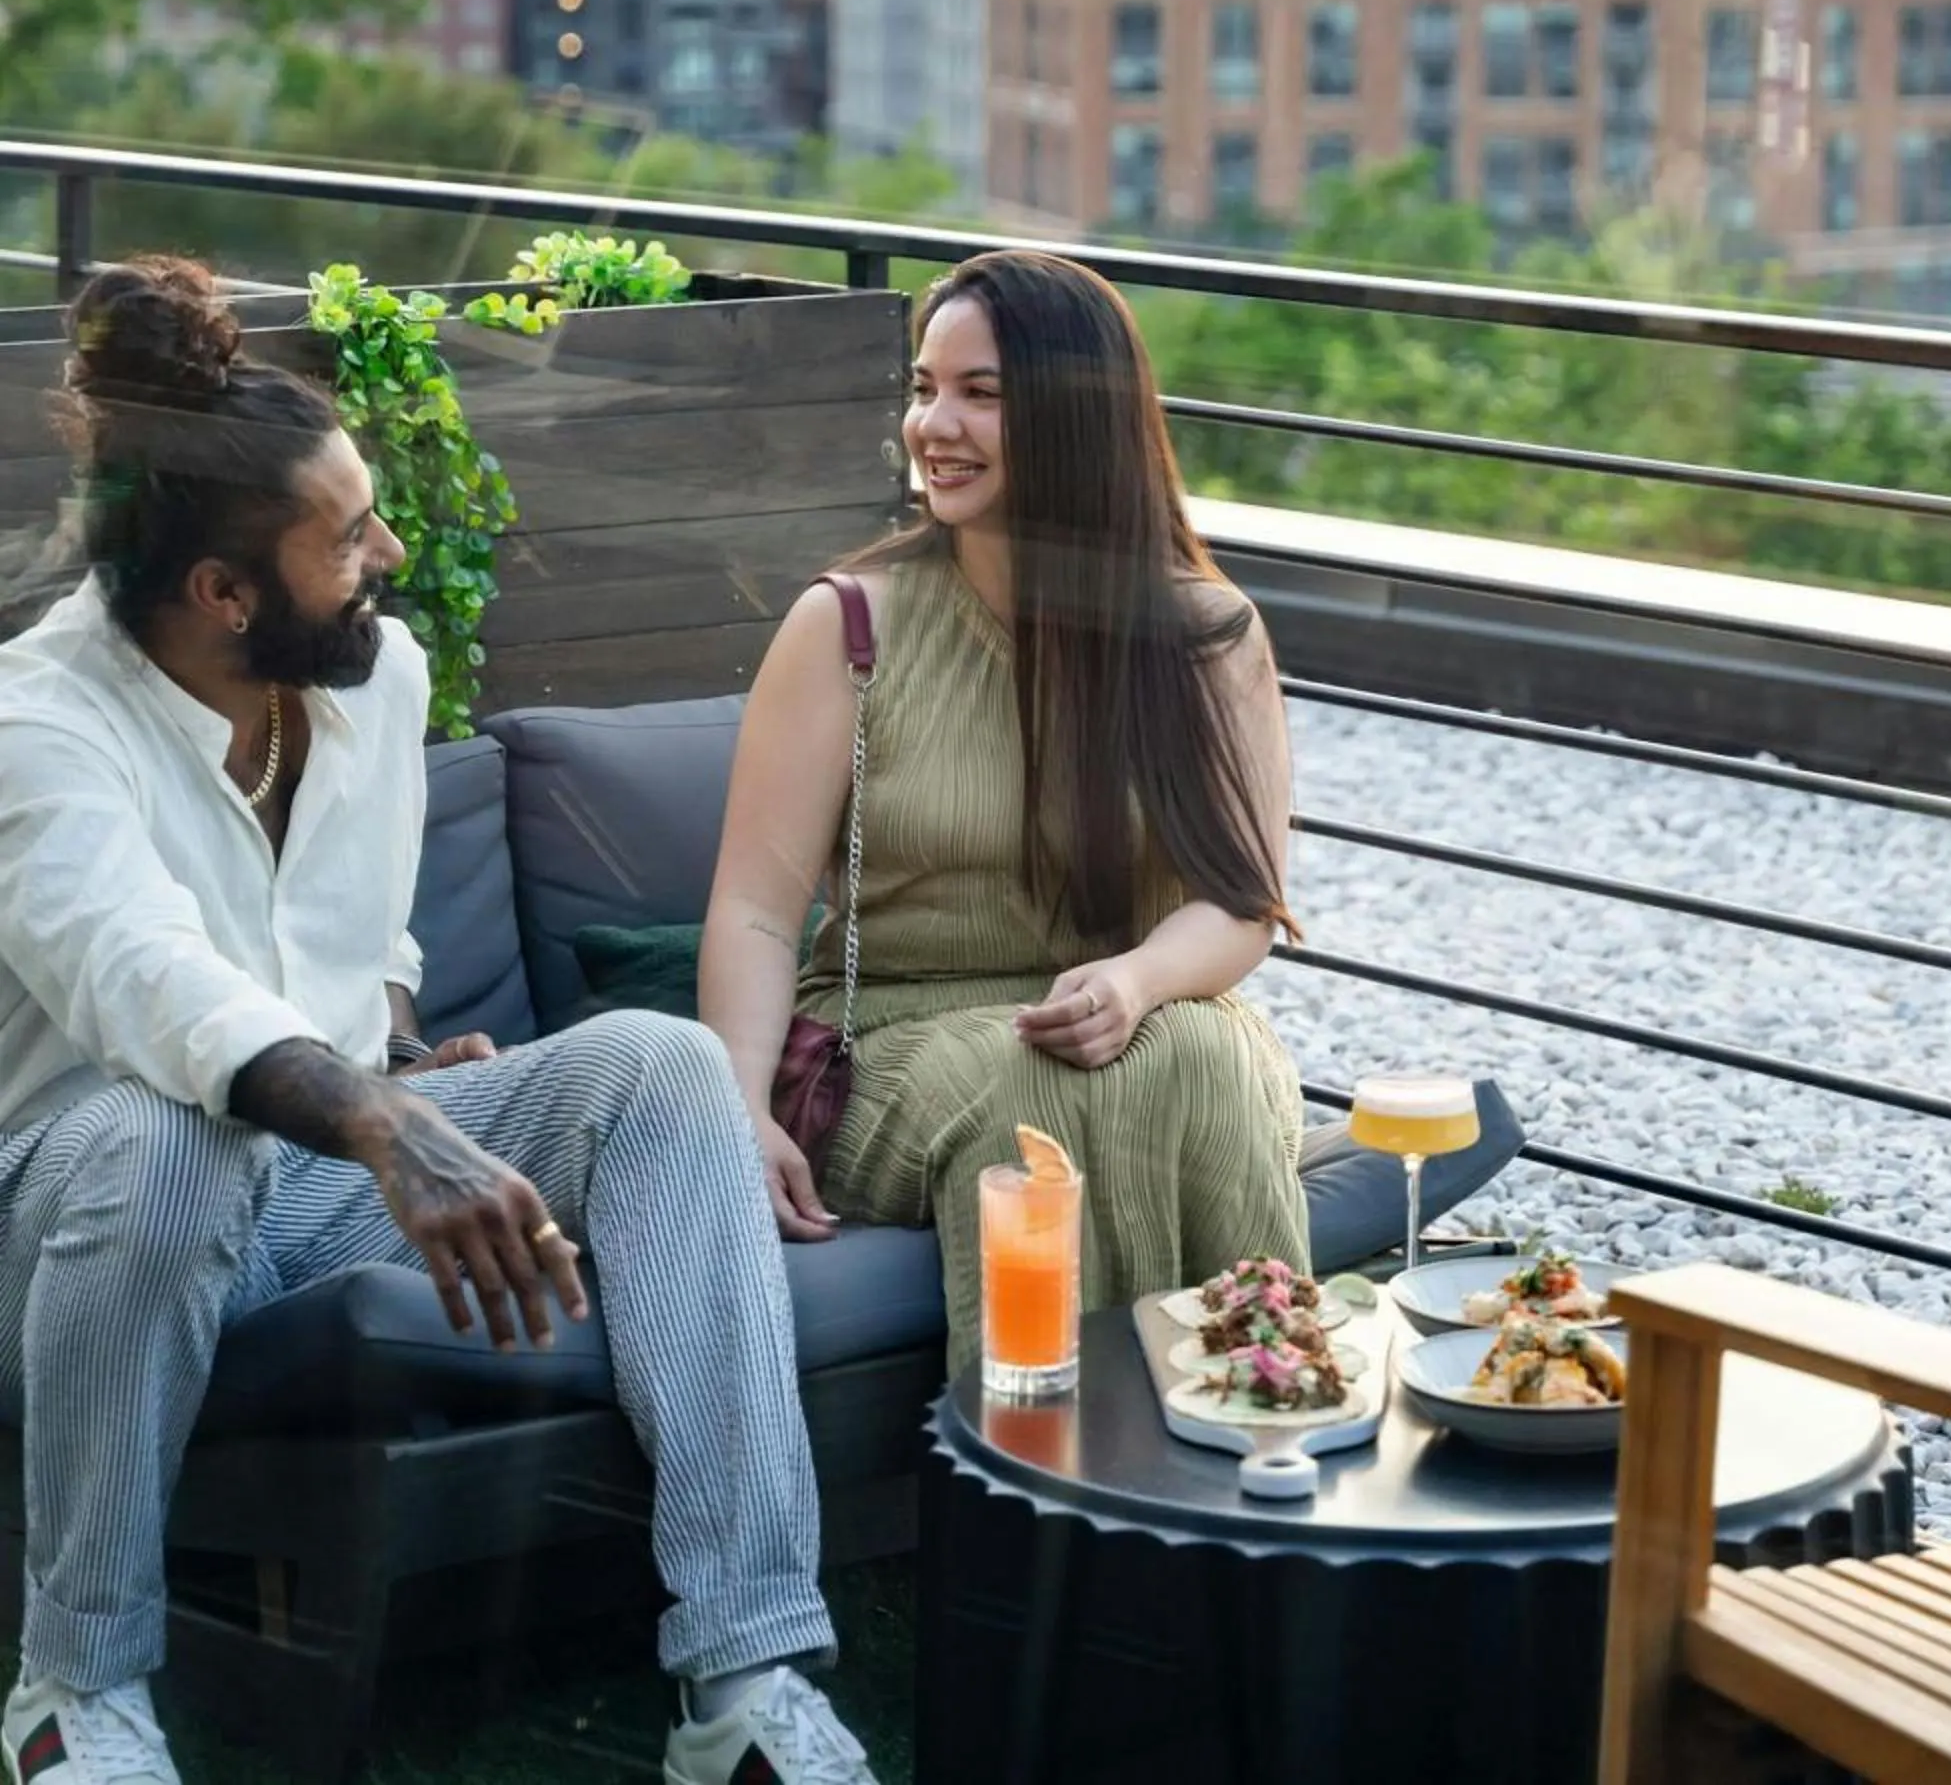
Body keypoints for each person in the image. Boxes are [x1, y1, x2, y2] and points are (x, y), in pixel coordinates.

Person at [0, 258, 876, 1785]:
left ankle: (747, 1681)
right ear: (223, 594)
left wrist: (398, 1054)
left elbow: (363, 935)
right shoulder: (36, 724)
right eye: (348, 538)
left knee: (661, 1066)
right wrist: (386, 1123)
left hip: (320, 1171)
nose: (392, 553)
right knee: (164, 1134)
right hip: (80, 1211)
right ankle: (77, 1690)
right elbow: (143, 974)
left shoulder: (375, 678)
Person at [702, 248, 1308, 1368]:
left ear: (1080, 418)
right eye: (923, 388)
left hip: (1144, 1014)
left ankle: (1252, 1418)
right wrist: (738, 1109)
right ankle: (1061, 1457)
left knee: (1203, 1056)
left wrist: (1134, 982)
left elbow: (1237, 903)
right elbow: (753, 909)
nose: (932, 425)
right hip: (893, 1043)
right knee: (1040, 1087)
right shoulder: (848, 628)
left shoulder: (1205, 637)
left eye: (980, 393)